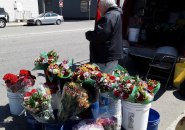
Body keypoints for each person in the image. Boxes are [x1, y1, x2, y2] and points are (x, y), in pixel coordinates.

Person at [85, 0, 123, 74]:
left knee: (101, 81)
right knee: (107, 79)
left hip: (105, 58)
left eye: (99, 7)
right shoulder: (116, 14)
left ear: (104, 6)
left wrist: (88, 34)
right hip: (110, 56)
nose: (98, 9)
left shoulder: (109, 16)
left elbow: (99, 35)